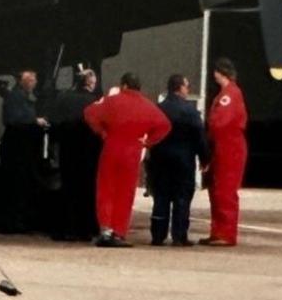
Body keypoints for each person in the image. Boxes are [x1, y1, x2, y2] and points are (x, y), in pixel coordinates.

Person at [82, 72, 169, 247]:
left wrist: (102, 132)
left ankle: (106, 230)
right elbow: (164, 125)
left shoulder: (112, 101)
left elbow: (89, 113)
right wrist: (148, 141)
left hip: (112, 147)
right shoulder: (147, 105)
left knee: (106, 189)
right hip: (133, 152)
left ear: (124, 86)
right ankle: (119, 232)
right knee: (125, 192)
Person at [147, 74, 206, 245]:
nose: (188, 90)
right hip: (183, 161)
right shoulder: (190, 111)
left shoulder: (158, 108)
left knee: (161, 198)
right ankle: (179, 236)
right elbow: (199, 136)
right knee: (181, 199)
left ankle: (157, 235)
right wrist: (205, 158)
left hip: (160, 161)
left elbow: (150, 132)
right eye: (187, 87)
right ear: (180, 88)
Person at [44, 68, 100, 241]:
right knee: (86, 190)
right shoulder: (93, 102)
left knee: (67, 187)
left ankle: (62, 227)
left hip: (67, 150)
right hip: (88, 152)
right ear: (90, 83)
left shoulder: (63, 98)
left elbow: (53, 122)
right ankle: (83, 229)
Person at [204, 57, 248, 246]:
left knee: (225, 190)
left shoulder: (230, 94)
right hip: (223, 145)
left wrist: (208, 131)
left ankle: (226, 233)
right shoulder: (227, 93)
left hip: (229, 145)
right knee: (216, 189)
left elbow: (220, 122)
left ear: (219, 72)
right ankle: (218, 230)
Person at [0, 69, 48, 231]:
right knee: (16, 183)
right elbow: (13, 119)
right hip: (17, 147)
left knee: (19, 183)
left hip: (19, 146)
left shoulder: (18, 97)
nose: (34, 83)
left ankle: (16, 220)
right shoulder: (16, 97)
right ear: (23, 81)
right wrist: (35, 121)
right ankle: (12, 222)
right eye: (31, 80)